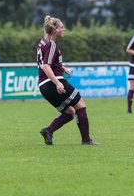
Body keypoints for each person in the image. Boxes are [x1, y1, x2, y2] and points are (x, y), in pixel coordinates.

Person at [37, 15, 97, 145]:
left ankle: (48, 130)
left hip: (43, 86)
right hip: (52, 82)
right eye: (62, 27)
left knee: (70, 112)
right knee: (80, 105)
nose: (64, 30)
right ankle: (86, 140)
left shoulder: (43, 42)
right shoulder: (52, 44)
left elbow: (46, 62)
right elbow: (46, 66)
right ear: (55, 30)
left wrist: (62, 68)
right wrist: (58, 82)